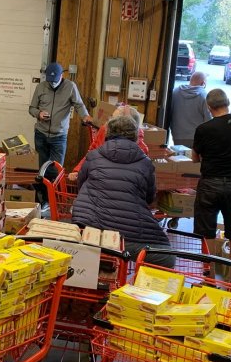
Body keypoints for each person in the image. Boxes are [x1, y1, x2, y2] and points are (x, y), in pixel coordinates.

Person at [72, 115, 175, 268]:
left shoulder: (93, 156)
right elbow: (149, 198)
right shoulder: (145, 163)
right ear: (135, 136)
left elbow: (81, 187)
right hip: (128, 236)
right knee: (167, 258)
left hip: (87, 228)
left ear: (108, 134)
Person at [192, 89, 231, 272]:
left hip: (209, 184)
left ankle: (210, 279)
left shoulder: (203, 129)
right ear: (228, 102)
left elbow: (195, 158)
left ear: (209, 108)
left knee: (207, 233)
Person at [28, 62, 91, 169]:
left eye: (55, 80)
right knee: (41, 168)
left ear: (61, 75)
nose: (52, 83)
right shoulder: (40, 87)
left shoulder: (70, 87)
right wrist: (39, 114)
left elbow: (79, 105)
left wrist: (85, 116)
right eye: (50, 80)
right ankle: (42, 186)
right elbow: (31, 108)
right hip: (41, 134)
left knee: (56, 169)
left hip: (59, 136)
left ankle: (53, 185)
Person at [69, 104, 148, 181]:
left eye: (113, 118)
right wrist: (78, 170)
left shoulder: (141, 151)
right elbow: (91, 152)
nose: (110, 121)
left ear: (126, 124)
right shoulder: (104, 130)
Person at [169, 71, 211, 147]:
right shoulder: (204, 96)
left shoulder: (176, 91)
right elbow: (208, 120)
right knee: (193, 158)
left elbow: (169, 113)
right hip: (196, 138)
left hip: (177, 135)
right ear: (203, 83)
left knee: (180, 158)